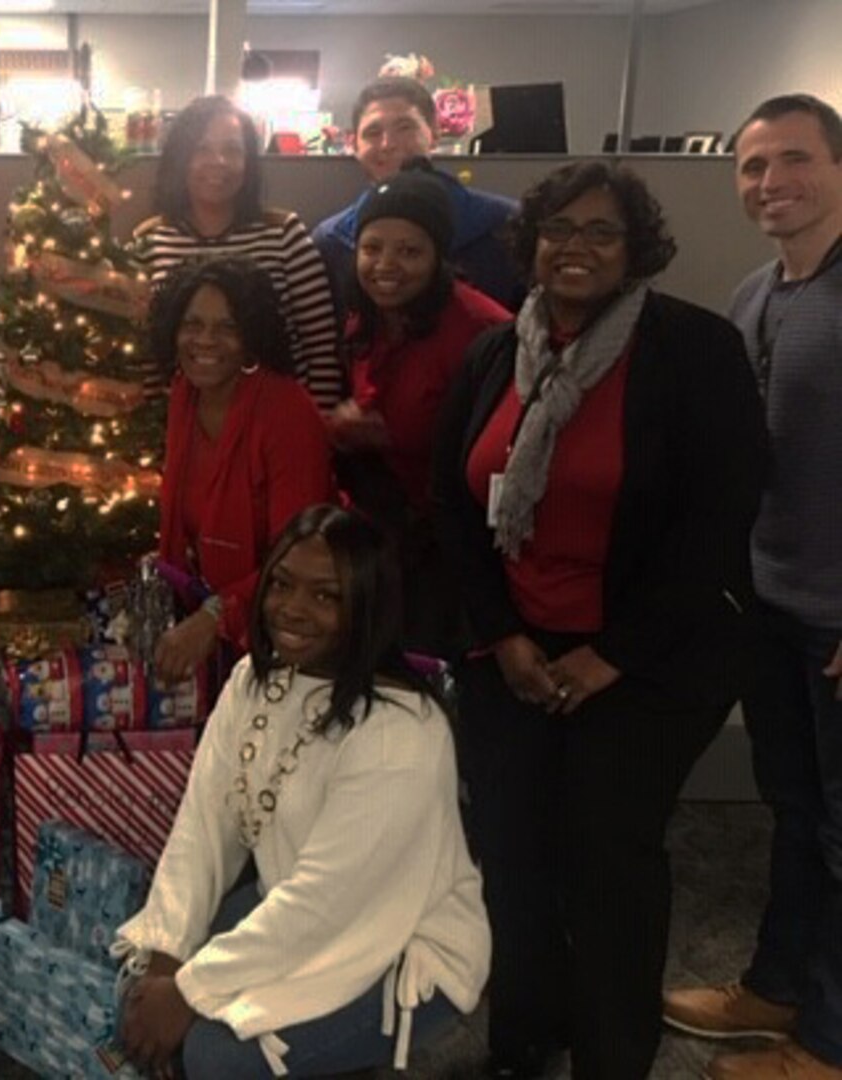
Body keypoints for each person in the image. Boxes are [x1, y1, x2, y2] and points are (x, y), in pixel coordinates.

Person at [432, 161, 769, 1078]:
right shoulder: (498, 352)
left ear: (635, 249)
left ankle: (613, 1058)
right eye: (560, 229)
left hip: (646, 660)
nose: (576, 248)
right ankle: (525, 1034)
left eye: (601, 232)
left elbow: (720, 519)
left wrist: (609, 656)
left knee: (607, 863)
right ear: (531, 242)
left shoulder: (691, 350)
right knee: (511, 855)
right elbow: (455, 506)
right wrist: (502, 632)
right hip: (514, 652)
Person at [116, 504, 490, 1078]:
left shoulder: (398, 732)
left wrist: (188, 995)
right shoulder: (253, 680)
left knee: (216, 1056)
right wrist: (167, 968)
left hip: (397, 946)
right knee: (144, 984)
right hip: (291, 903)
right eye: (283, 585)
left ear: (366, 606)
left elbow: (325, 905)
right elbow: (203, 831)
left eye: (325, 596)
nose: (292, 609)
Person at [662, 94, 842, 1080]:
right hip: (773, 610)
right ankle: (780, 986)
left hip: (838, 617)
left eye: (793, 160)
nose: (770, 181)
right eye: (752, 165)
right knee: (796, 813)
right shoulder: (753, 296)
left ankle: (827, 1043)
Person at [329, 160, 511, 656]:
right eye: (372, 248)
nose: (385, 264)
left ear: (438, 257)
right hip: (386, 524)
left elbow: (500, 450)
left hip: (451, 545)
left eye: (409, 251)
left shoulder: (483, 330)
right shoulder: (364, 315)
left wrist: (390, 434)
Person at [150, 257, 333, 695]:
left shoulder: (287, 410)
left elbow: (300, 552)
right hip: (213, 632)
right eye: (192, 324)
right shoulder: (184, 393)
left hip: (289, 636)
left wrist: (215, 617)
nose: (205, 341)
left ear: (251, 334)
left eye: (227, 327)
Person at [134, 95, 342, 410]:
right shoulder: (149, 241)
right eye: (201, 149)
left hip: (274, 423)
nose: (217, 161)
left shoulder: (284, 233)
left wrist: (318, 426)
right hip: (182, 427)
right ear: (180, 159)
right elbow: (145, 356)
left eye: (231, 150)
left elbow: (321, 347)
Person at [312, 77, 522, 313]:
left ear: (434, 133)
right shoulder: (332, 241)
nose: (387, 143)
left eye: (404, 127)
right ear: (354, 145)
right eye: (373, 132)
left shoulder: (506, 224)